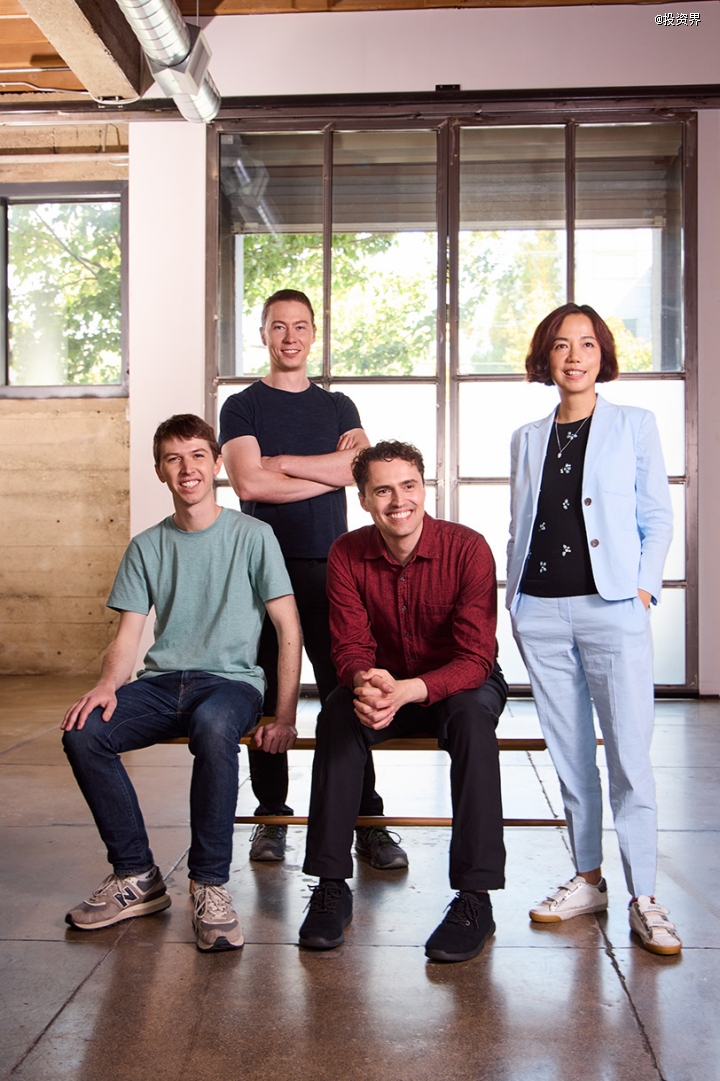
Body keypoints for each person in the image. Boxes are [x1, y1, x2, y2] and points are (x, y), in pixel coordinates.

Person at [62, 414, 302, 952]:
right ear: (160, 471)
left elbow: (289, 628)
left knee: (214, 727)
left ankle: (210, 884)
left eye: (197, 455)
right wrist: (107, 685)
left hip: (230, 684)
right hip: (162, 683)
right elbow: (129, 633)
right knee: (84, 732)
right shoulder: (146, 546)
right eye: (173, 458)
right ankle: (136, 875)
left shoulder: (253, 536)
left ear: (216, 465)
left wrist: (284, 715)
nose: (187, 468)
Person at [507, 303, 681, 956]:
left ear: (602, 354)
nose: (574, 356)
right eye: (561, 345)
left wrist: (642, 590)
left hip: (613, 608)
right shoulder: (527, 437)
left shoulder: (634, 424)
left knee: (629, 756)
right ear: (545, 357)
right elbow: (521, 523)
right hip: (541, 611)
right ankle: (588, 879)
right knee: (572, 757)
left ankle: (645, 897)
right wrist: (515, 604)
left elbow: (657, 517)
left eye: (586, 344)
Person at [219, 289, 407, 871]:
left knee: (348, 692)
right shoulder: (241, 407)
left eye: (300, 326)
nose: (290, 337)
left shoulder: (339, 406)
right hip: (263, 570)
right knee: (266, 695)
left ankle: (367, 821)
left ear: (314, 334)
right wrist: (330, 470)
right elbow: (249, 484)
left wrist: (283, 464)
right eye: (279, 326)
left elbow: (363, 471)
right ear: (264, 334)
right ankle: (271, 817)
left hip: (333, 570)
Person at [299, 440, 508, 962]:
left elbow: (476, 657)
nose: (399, 501)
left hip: (462, 682)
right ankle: (330, 886)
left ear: (424, 487)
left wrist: (410, 689)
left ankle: (476, 899)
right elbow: (349, 646)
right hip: (384, 682)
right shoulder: (346, 552)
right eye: (383, 491)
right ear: (364, 499)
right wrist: (364, 681)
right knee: (337, 715)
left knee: (472, 721)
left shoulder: (468, 548)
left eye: (408, 486)